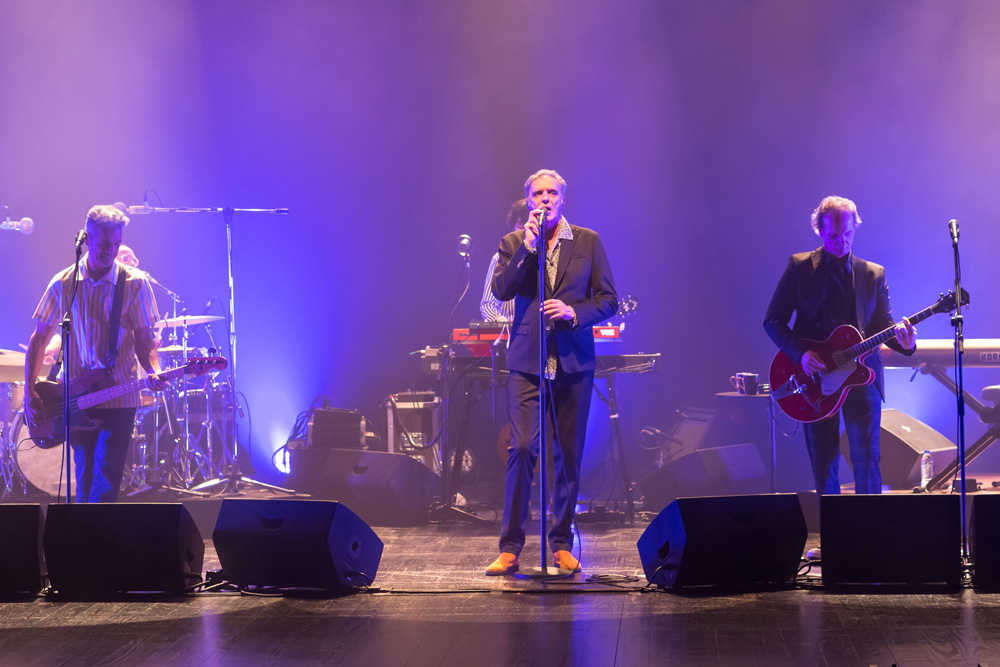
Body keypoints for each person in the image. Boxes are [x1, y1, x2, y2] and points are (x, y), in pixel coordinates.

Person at [485, 169, 618, 575]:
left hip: (573, 360)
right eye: (538, 193)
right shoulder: (513, 243)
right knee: (523, 447)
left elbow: (608, 299)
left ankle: (560, 543)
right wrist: (527, 247)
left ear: (562, 199)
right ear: (528, 201)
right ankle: (510, 546)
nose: (545, 199)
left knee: (567, 454)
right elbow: (501, 290)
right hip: (528, 360)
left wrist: (573, 312)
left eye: (552, 193)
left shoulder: (588, 241)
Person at [764, 195, 916, 495]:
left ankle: (868, 526)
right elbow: (773, 320)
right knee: (824, 468)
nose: (841, 241)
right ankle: (832, 526)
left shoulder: (873, 274)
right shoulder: (799, 267)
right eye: (833, 235)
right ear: (819, 230)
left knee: (867, 463)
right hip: (814, 378)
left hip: (862, 376)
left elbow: (883, 326)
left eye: (847, 233)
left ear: (855, 228)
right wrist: (802, 354)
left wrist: (907, 344)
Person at [24, 205, 167, 502]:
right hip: (75, 398)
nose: (110, 251)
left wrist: (154, 369)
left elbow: (144, 340)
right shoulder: (64, 283)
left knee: (106, 478)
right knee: (84, 477)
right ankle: (82, 533)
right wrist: (29, 390)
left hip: (119, 395)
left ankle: (98, 533)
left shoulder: (135, 283)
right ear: (86, 239)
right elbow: (39, 338)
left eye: (116, 244)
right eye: (103, 244)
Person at [479, 199, 530, 322]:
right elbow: (488, 304)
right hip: (509, 331)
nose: (524, 229)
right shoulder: (500, 257)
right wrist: (502, 323)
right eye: (520, 224)